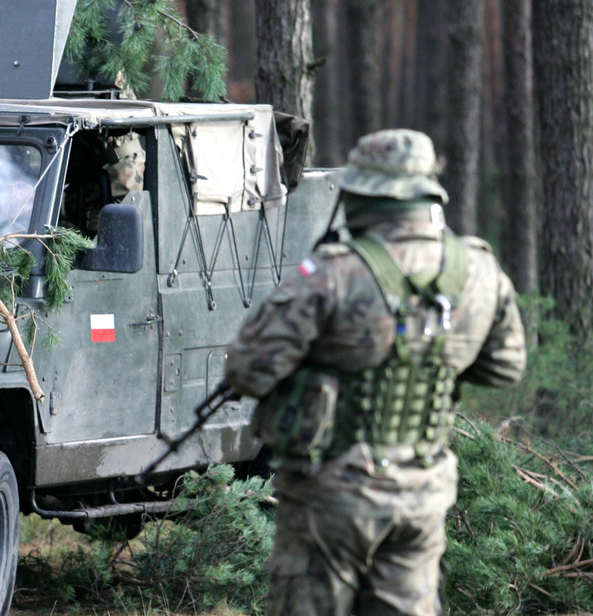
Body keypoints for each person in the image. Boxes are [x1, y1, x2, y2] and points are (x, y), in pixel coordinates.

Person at [224, 129, 526, 615]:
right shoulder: (480, 270)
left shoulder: (332, 273)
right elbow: (505, 367)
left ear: (361, 193)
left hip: (331, 496)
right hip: (421, 494)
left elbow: (246, 372)